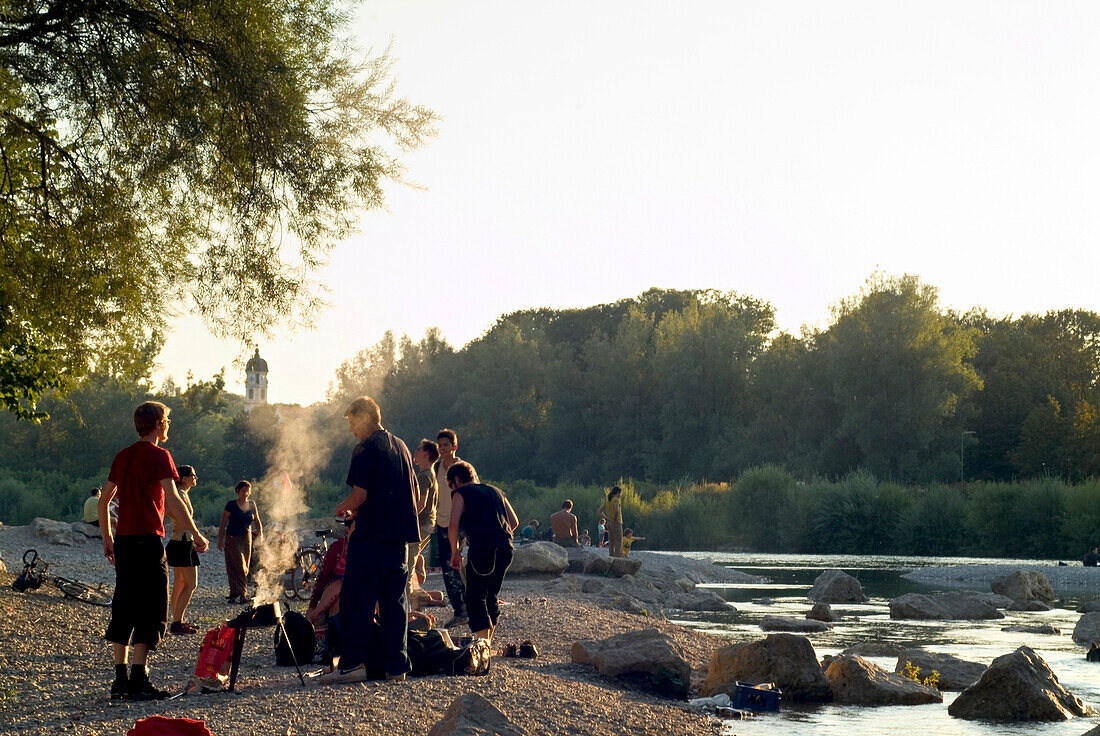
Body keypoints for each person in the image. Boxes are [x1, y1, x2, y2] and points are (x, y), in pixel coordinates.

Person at [98, 401, 209, 701]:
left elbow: (104, 500)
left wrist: (107, 537)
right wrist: (196, 534)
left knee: (124, 603)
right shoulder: (161, 456)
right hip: (147, 541)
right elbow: (173, 501)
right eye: (167, 420)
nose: (168, 425)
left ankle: (119, 680)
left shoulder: (123, 456)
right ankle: (139, 678)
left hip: (123, 541)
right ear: (159, 424)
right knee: (153, 607)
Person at [321, 396, 420, 684]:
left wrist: (342, 508)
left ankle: (353, 665)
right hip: (399, 540)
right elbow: (417, 496)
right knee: (395, 603)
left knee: (357, 601)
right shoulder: (401, 446)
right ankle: (396, 667)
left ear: (365, 418)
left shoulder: (365, 448)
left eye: (352, 423)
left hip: (371, 537)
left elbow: (360, 495)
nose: (351, 429)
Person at [447, 461, 518, 645]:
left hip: (483, 548)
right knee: (491, 595)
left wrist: (455, 552)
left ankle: (481, 644)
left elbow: (453, 524)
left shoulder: (461, 493)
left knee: (474, 596)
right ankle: (486, 642)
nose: (450, 489)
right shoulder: (496, 491)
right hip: (505, 548)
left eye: (449, 485)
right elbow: (514, 521)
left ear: (456, 480)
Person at [434, 428, 470, 628]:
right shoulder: (437, 467)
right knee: (447, 568)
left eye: (446, 445)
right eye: (440, 445)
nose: (442, 449)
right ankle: (461, 609)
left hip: (460, 521)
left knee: (455, 563)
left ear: (454, 446)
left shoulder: (462, 467)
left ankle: (465, 609)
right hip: (442, 522)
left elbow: (473, 490)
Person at [165, 465, 201, 634]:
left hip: (178, 541)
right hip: (183, 542)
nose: (195, 478)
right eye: (193, 476)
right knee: (191, 584)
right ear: (184, 478)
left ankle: (176, 619)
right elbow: (178, 517)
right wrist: (197, 535)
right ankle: (177, 622)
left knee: (179, 583)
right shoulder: (179, 494)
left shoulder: (179, 493)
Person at [217, 480, 263, 604]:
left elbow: (257, 521)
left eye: (248, 490)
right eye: (243, 490)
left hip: (246, 538)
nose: (246, 493)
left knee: (245, 566)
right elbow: (223, 523)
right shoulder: (231, 505)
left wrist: (260, 534)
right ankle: (240, 593)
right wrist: (220, 540)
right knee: (235, 565)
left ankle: (236, 593)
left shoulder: (252, 505)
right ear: (238, 491)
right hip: (232, 538)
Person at [307, 514, 354, 625]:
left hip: (357, 589)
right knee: (340, 587)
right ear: (347, 529)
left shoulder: (365, 548)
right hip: (335, 590)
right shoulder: (337, 547)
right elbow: (323, 576)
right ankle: (315, 618)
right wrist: (312, 605)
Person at [409, 439, 438, 583]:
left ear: (426, 454)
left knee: (406, 568)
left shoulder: (423, 476)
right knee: (412, 560)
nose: (415, 452)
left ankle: (407, 604)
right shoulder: (432, 474)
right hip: (429, 524)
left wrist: (407, 522)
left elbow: (421, 503)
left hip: (421, 525)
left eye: (418, 450)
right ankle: (416, 597)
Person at [598, 486, 624, 557]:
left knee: (611, 541)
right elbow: (616, 510)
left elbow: (599, 511)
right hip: (616, 522)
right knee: (618, 541)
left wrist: (605, 518)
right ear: (618, 493)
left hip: (609, 522)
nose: (620, 495)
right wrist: (615, 519)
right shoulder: (616, 500)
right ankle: (617, 557)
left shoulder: (607, 501)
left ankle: (611, 556)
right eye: (620, 493)